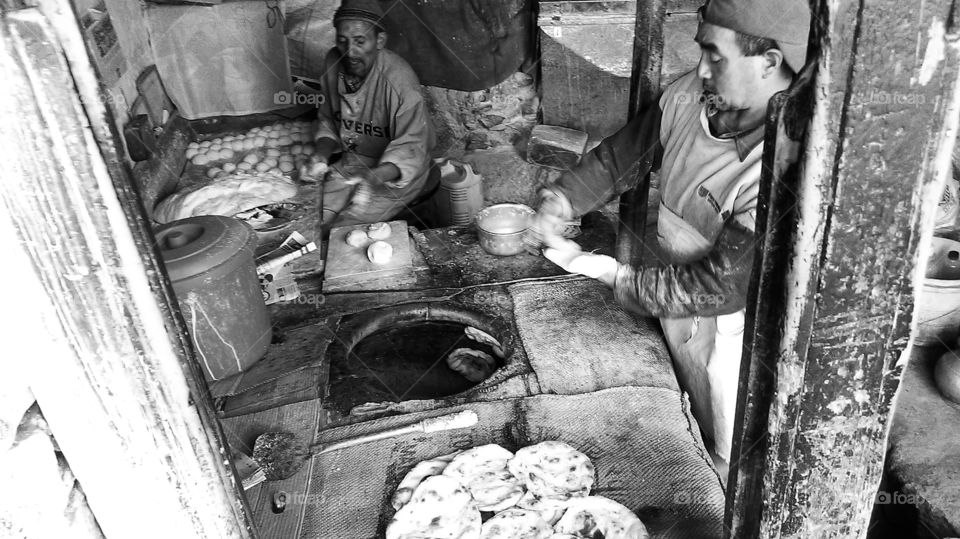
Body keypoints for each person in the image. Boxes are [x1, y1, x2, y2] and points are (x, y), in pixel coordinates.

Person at [527, 0, 810, 478]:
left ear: (770, 62)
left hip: (738, 334)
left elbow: (719, 285)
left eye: (715, 56)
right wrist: (563, 200)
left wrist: (608, 272)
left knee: (729, 453)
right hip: (675, 303)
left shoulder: (784, 162)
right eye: (701, 51)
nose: (700, 69)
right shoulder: (689, 99)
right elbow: (622, 158)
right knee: (685, 420)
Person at [303, 0, 437, 229]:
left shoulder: (398, 80)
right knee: (310, 221)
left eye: (360, 41)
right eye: (342, 41)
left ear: (379, 41)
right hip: (352, 163)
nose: (349, 52)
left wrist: (372, 178)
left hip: (394, 173)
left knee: (340, 231)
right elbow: (327, 119)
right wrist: (322, 155)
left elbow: (412, 147)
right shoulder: (332, 63)